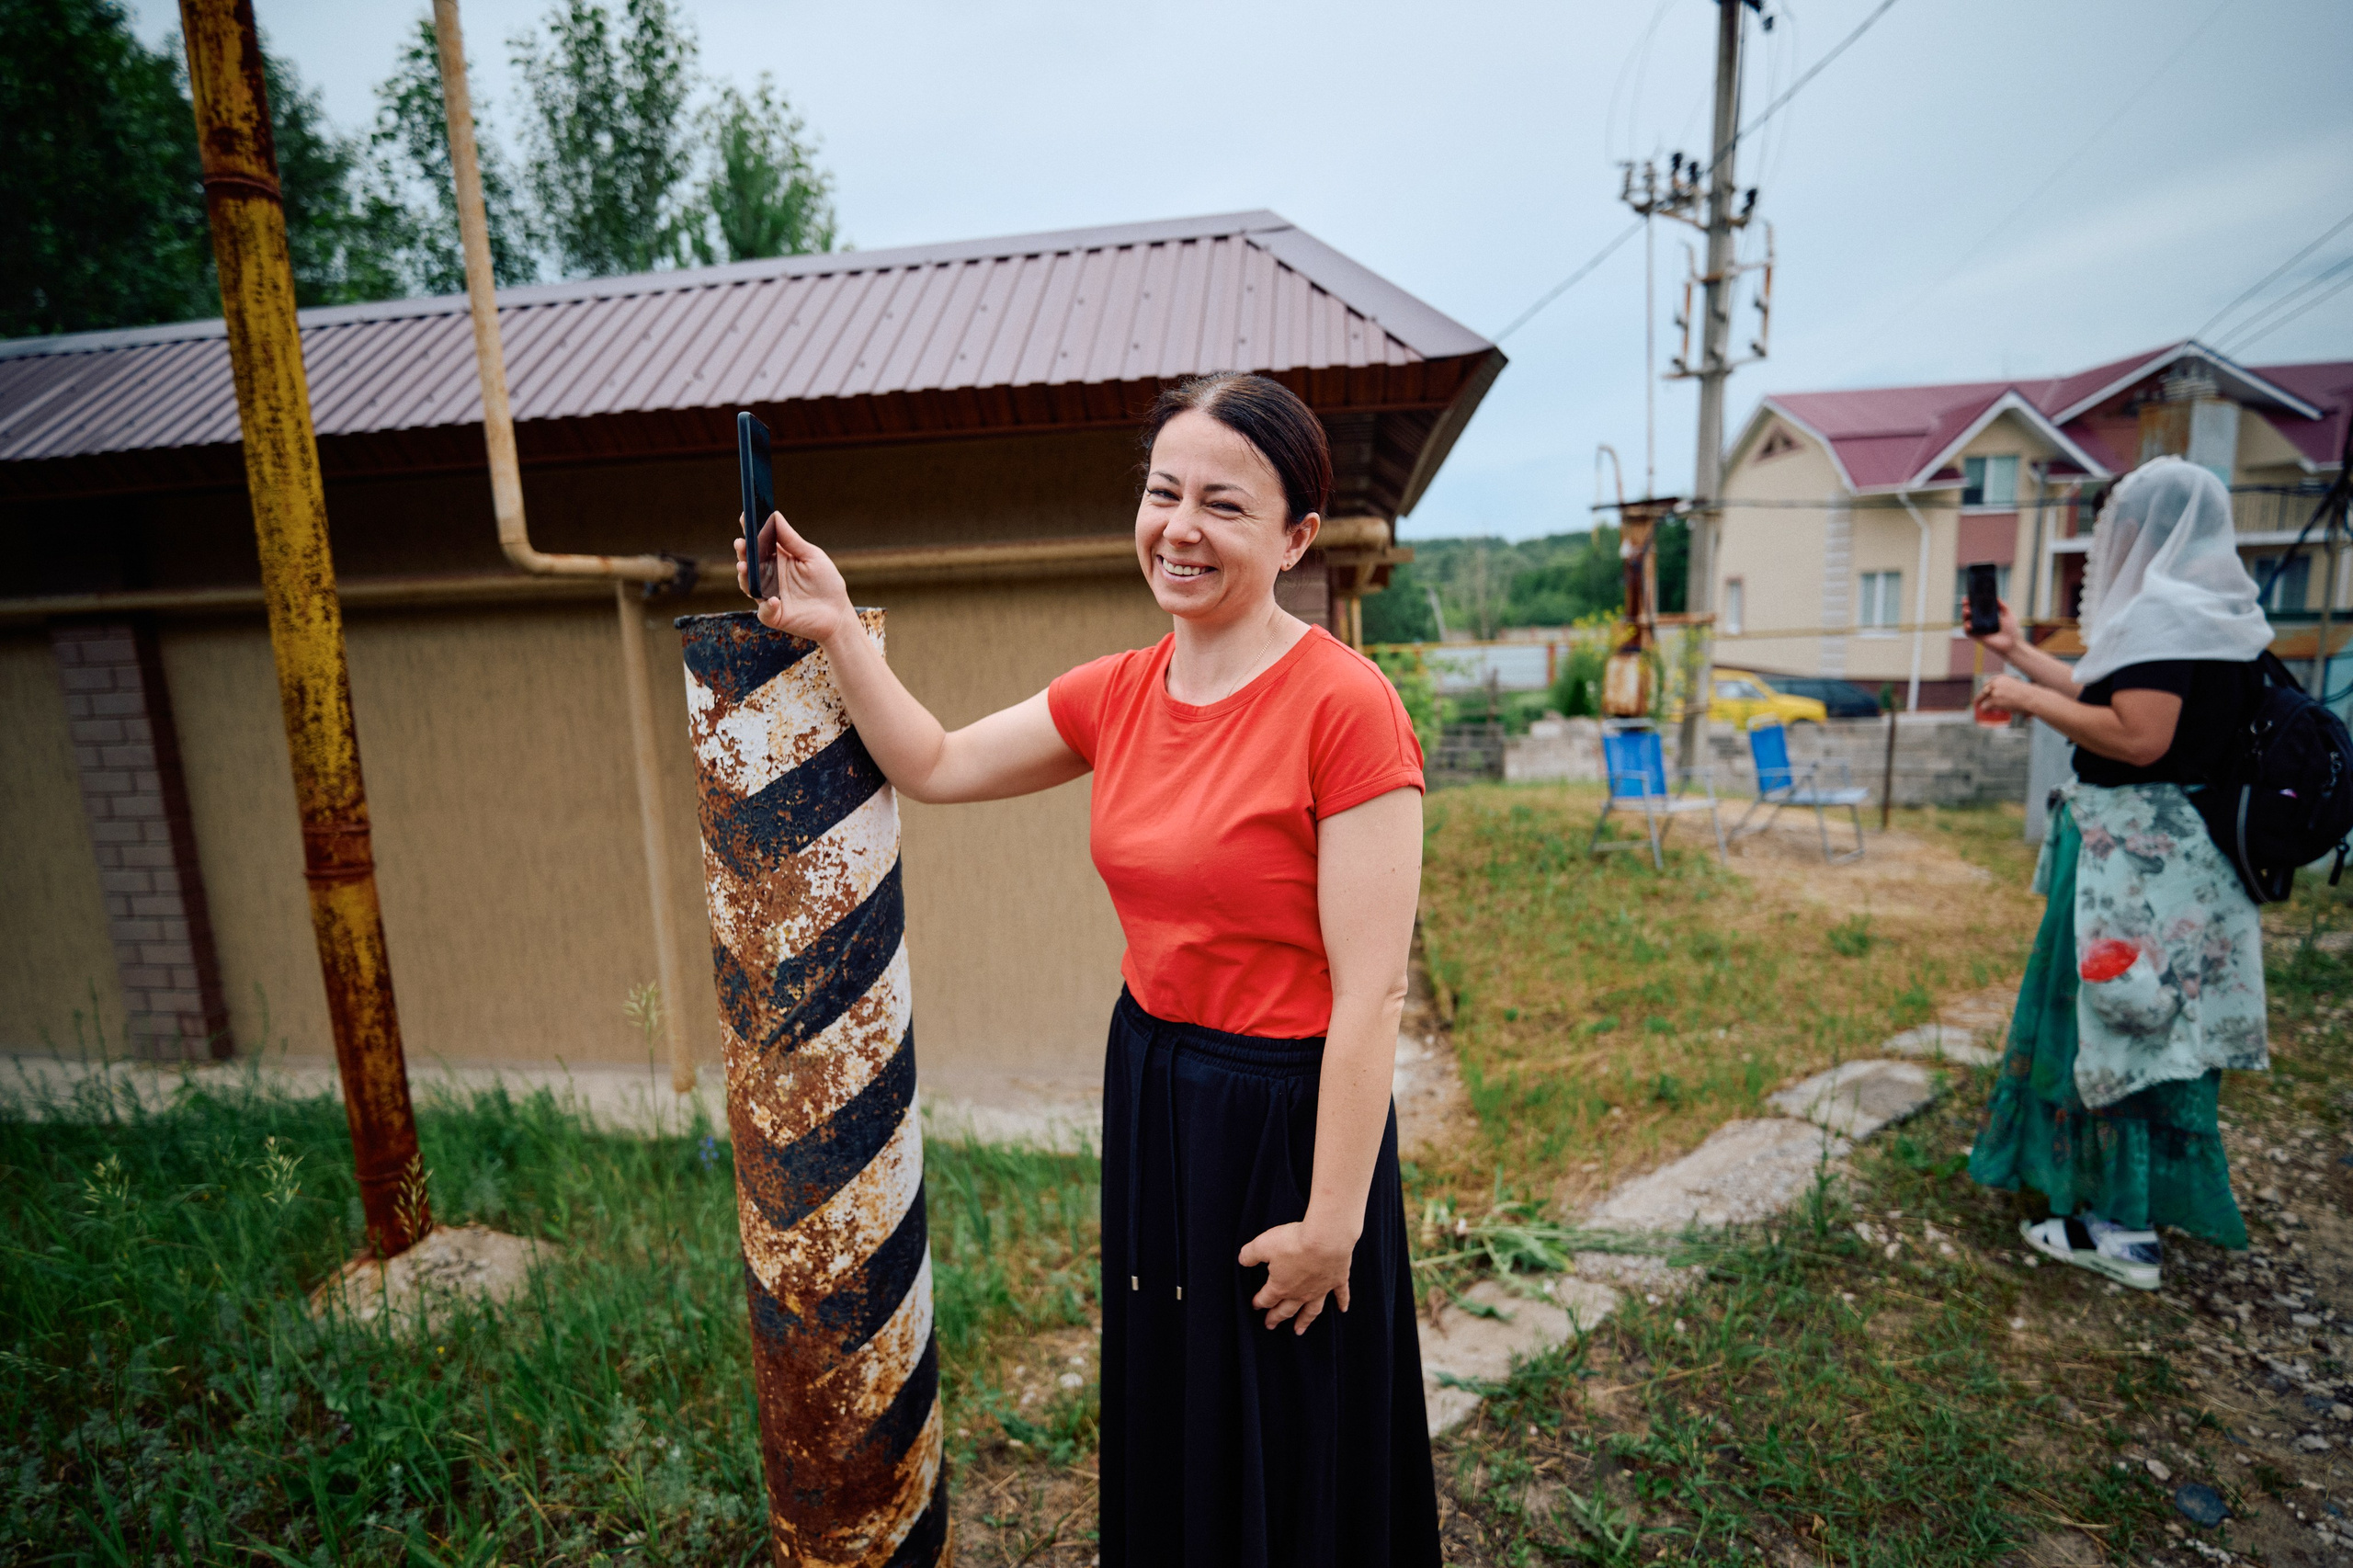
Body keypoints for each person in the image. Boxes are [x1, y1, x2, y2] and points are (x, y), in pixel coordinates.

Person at [733, 372, 1442, 1566]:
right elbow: (939, 762)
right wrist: (843, 628)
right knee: (1180, 1387)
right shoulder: (1117, 691)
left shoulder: (1347, 706)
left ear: (1296, 536)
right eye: (1165, 491)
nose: (1182, 526)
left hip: (1287, 1115)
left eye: (1224, 503)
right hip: (1157, 1083)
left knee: (1287, 1403)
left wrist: (1335, 1219)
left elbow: (1371, 991)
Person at [1965, 456, 2275, 1289]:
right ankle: (2112, 1207)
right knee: (2143, 1021)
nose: (2110, 542)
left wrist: (2023, 700)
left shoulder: (2168, 614)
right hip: (2167, 859)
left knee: (2119, 1021)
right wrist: (2019, 653)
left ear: (2150, 526)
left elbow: (2139, 738)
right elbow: (2110, 694)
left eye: (2116, 524)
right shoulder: (2204, 610)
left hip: (2139, 868)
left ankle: (2124, 1230)